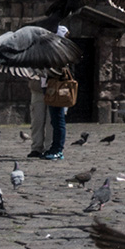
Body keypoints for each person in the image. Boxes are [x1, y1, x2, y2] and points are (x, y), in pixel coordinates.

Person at [38, 27, 75, 161]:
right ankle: (54, 148)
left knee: (58, 120)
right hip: (50, 88)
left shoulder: (61, 52)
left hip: (57, 89)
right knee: (55, 120)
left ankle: (58, 150)